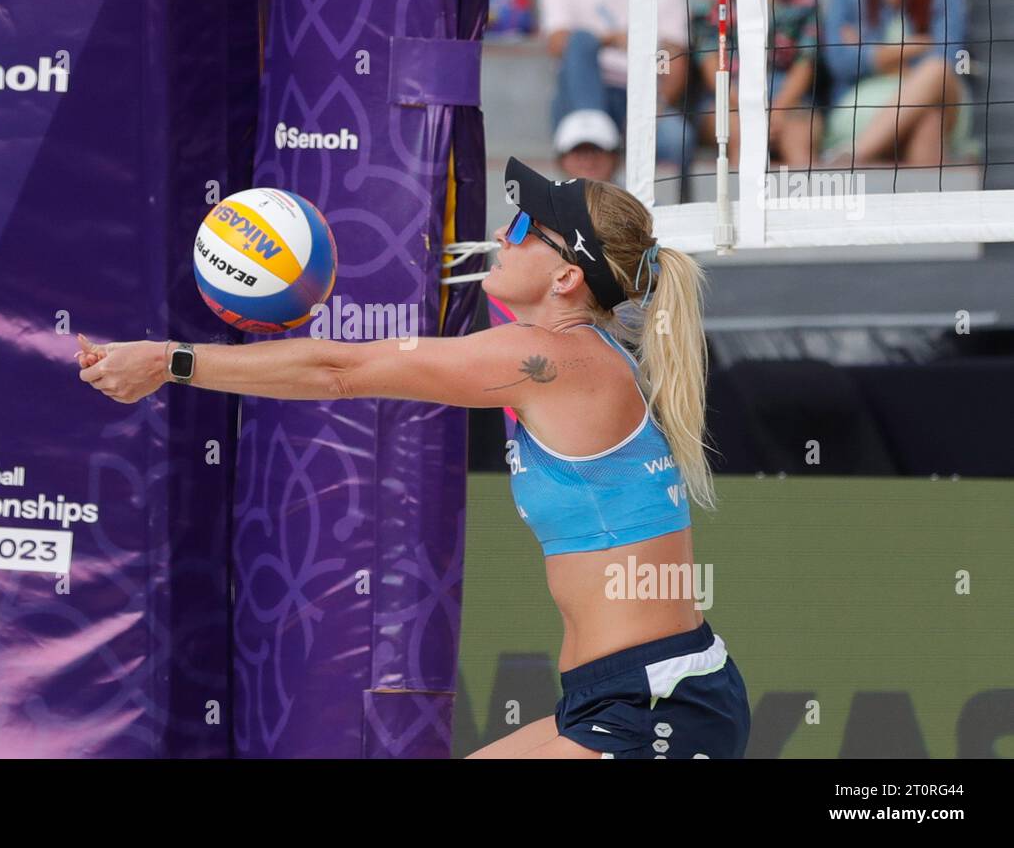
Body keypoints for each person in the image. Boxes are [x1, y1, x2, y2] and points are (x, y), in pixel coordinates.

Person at [76, 159, 752, 759]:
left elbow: (340, 370)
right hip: (621, 696)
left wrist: (171, 361)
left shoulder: (551, 362)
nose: (501, 235)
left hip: (658, 707)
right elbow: (417, 340)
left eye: (520, 229)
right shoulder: (560, 356)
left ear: (568, 276)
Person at [539, 0, 695, 175]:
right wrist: (620, 40)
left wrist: (653, 111)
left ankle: (597, 142)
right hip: (580, 93)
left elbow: (676, 63)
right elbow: (558, 43)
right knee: (581, 42)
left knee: (676, 138)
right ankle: (595, 134)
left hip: (642, 101)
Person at [822, 0, 967, 167]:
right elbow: (838, 62)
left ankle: (853, 156)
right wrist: (912, 48)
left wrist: (873, 54)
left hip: (939, 96)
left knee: (936, 74)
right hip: (862, 106)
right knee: (927, 119)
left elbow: (949, 58)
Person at [691, 0, 821, 168]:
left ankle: (808, 210)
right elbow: (708, 61)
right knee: (738, 136)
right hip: (728, 98)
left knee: (799, 139)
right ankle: (737, 210)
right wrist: (746, 108)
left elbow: (807, 60)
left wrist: (778, 110)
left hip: (789, 98)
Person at [554, 107, 621, 182]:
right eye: (579, 152)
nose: (588, 163)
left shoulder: (633, 193)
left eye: (596, 151)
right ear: (561, 161)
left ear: (615, 158)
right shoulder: (543, 193)